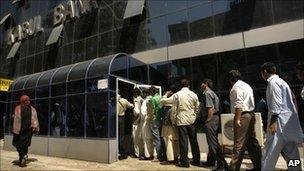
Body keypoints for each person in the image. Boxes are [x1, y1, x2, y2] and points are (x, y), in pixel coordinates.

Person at [260, 62, 303, 171]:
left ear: (265, 72)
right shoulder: (282, 82)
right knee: (292, 152)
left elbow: (276, 103)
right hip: (288, 124)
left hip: (278, 124)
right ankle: (296, 169)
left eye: (262, 73)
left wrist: (272, 123)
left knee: (270, 152)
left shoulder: (273, 83)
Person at [228, 70, 261, 171]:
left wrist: (237, 119)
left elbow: (239, 103)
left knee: (239, 143)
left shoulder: (236, 87)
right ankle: (259, 166)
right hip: (251, 114)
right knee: (252, 143)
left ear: (230, 79)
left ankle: (233, 168)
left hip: (243, 115)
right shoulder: (246, 85)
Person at [171, 78, 201, 168]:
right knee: (194, 140)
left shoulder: (177, 95)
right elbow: (197, 107)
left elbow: (174, 109)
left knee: (183, 142)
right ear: (189, 85)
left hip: (181, 120)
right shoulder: (194, 94)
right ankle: (196, 160)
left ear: (180, 85)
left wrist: (173, 120)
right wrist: (194, 116)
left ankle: (184, 162)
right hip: (191, 120)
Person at [200, 79, 228, 171]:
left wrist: (208, 120)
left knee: (213, 143)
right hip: (215, 119)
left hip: (211, 119)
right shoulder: (212, 93)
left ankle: (222, 165)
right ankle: (211, 161)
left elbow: (210, 108)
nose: (200, 85)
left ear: (206, 84)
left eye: (202, 83)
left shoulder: (207, 93)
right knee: (212, 141)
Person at [12, 95, 39, 167]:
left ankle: (22, 157)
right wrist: (35, 128)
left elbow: (16, 119)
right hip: (28, 131)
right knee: (25, 145)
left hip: (19, 130)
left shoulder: (18, 108)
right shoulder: (32, 109)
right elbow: (35, 119)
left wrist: (15, 130)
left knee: (18, 144)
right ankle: (23, 157)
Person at [160, 86, 180, 165]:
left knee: (168, 141)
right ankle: (175, 157)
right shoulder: (175, 101)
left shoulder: (170, 102)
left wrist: (166, 94)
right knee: (175, 141)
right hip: (175, 124)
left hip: (168, 125)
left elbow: (162, 100)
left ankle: (170, 159)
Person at [149, 86, 164, 161]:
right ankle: (162, 154)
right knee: (161, 138)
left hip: (154, 120)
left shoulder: (153, 99)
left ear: (152, 92)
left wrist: (150, 119)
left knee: (156, 138)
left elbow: (152, 110)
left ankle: (158, 156)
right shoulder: (160, 97)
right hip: (160, 120)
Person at [117, 93, 134, 160]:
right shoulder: (124, 100)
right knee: (121, 136)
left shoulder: (111, 99)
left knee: (113, 136)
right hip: (120, 118)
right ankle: (122, 153)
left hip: (112, 119)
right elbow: (131, 106)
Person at [140, 89, 154, 160]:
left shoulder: (145, 101)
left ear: (145, 94)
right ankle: (153, 154)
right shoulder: (153, 99)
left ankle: (147, 155)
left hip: (146, 121)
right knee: (152, 139)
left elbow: (143, 113)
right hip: (153, 122)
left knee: (146, 139)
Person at [132, 88, 144, 158]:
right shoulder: (142, 99)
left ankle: (137, 154)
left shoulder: (136, 100)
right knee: (140, 138)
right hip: (141, 121)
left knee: (136, 138)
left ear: (136, 93)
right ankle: (141, 152)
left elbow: (136, 112)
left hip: (136, 121)